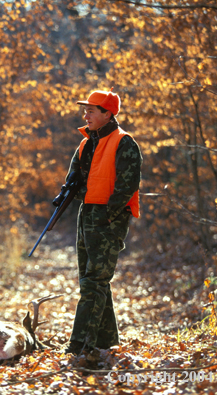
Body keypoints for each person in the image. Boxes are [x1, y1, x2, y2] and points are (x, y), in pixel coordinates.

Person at [62, 89, 142, 355]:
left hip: (108, 217)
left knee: (93, 282)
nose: (86, 115)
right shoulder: (85, 144)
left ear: (108, 114)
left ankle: (79, 346)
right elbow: (74, 179)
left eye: (91, 110)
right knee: (91, 279)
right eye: (85, 110)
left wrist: (109, 215)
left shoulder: (124, 142)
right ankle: (106, 343)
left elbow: (127, 185)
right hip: (86, 214)